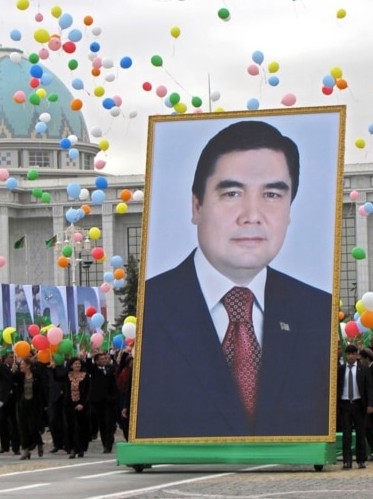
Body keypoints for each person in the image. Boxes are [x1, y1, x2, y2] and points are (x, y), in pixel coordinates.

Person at [137, 119, 333, 439]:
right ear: (197, 206)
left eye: (272, 194)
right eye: (231, 193)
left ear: (289, 210)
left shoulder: (319, 313)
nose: (251, 215)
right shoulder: (150, 308)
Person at [337, 344, 373, 469]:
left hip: (358, 404)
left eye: (353, 354)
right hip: (345, 404)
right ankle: (347, 460)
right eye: (348, 354)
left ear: (357, 355)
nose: (351, 357)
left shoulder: (364, 369)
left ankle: (361, 459)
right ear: (346, 355)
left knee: (360, 433)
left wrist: (370, 404)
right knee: (346, 433)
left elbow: (369, 388)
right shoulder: (341, 370)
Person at [13, 357, 47, 459]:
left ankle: (39, 443)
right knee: (22, 427)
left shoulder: (36, 376)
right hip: (22, 404)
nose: (21, 366)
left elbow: (42, 390)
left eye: (23, 364)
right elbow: (12, 381)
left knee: (33, 427)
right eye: (20, 364)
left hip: (34, 404)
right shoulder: (19, 376)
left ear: (28, 366)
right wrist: (13, 371)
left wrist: (45, 404)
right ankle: (26, 450)